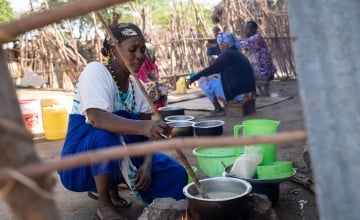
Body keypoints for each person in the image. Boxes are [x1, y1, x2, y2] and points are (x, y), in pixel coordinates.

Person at [58, 23, 188, 220]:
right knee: (104, 137)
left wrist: (146, 163)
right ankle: (104, 202)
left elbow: (146, 140)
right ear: (113, 50)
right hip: (80, 160)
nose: (139, 55)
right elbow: (96, 118)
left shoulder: (140, 87)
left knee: (177, 174)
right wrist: (145, 127)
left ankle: (115, 182)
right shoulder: (96, 71)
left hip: (124, 155)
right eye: (132, 49)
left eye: (143, 49)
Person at [188, 31, 256, 117]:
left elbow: (210, 70)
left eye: (220, 44)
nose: (220, 46)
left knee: (203, 79)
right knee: (216, 77)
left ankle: (218, 109)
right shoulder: (237, 53)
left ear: (225, 45)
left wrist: (192, 78)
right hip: (249, 92)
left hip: (239, 94)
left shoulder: (227, 54)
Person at [136, 43, 169, 109]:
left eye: (148, 53)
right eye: (145, 53)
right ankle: (153, 108)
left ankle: (163, 107)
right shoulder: (141, 65)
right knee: (153, 87)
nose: (147, 55)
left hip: (152, 85)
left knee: (164, 85)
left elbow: (157, 78)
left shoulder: (154, 65)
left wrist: (160, 82)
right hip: (142, 87)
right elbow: (142, 80)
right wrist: (154, 83)